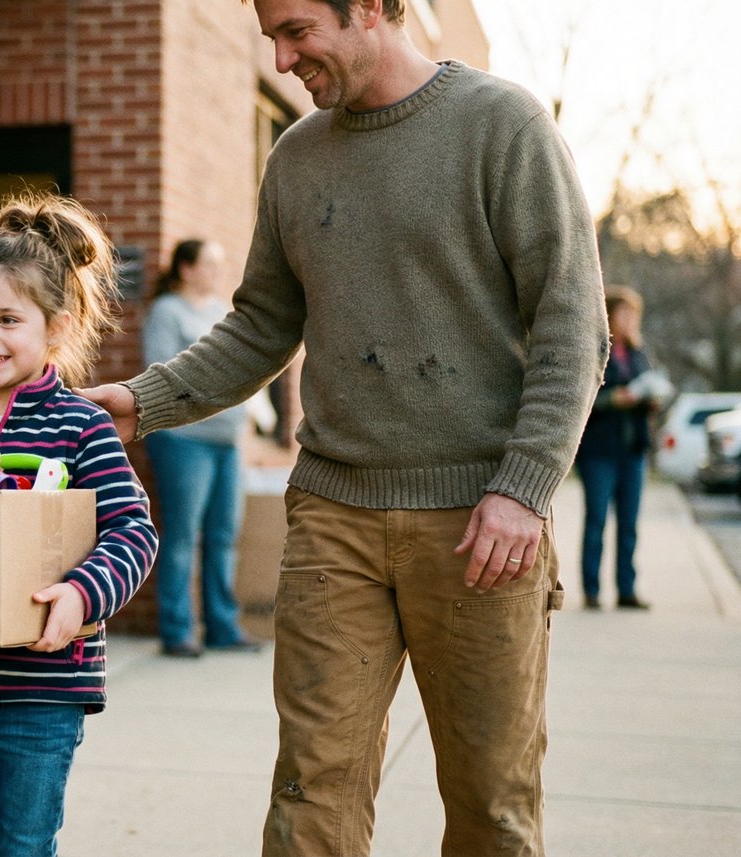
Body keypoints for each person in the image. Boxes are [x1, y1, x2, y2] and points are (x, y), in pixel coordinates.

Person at [77, 0, 609, 854]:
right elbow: (259, 325)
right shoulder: (296, 157)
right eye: (271, 38)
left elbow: (573, 327)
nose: (283, 60)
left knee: (491, 806)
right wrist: (145, 400)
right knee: (311, 791)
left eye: (295, 32)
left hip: (482, 524)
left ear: (369, 6)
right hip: (335, 516)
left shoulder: (503, 127)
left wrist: (524, 487)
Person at [0, 191, 159, 857]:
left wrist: (80, 593)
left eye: (9, 318)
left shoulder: (81, 425)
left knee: (24, 847)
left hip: (45, 689)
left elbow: (131, 529)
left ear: (58, 327)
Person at [142, 239, 261, 657]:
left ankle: (222, 628)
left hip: (228, 442)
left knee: (224, 534)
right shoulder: (167, 312)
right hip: (184, 442)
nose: (216, 272)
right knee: (182, 535)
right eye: (209, 264)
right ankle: (177, 631)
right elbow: (163, 374)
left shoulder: (220, 313)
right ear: (185, 269)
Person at [575, 286, 660, 610]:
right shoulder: (595, 351)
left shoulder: (639, 355)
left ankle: (627, 590)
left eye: (633, 315)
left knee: (629, 524)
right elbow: (582, 400)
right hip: (599, 452)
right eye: (623, 314)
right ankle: (592, 590)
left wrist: (650, 401)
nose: (629, 320)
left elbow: (647, 390)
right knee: (596, 521)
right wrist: (613, 400)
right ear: (608, 315)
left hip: (633, 452)